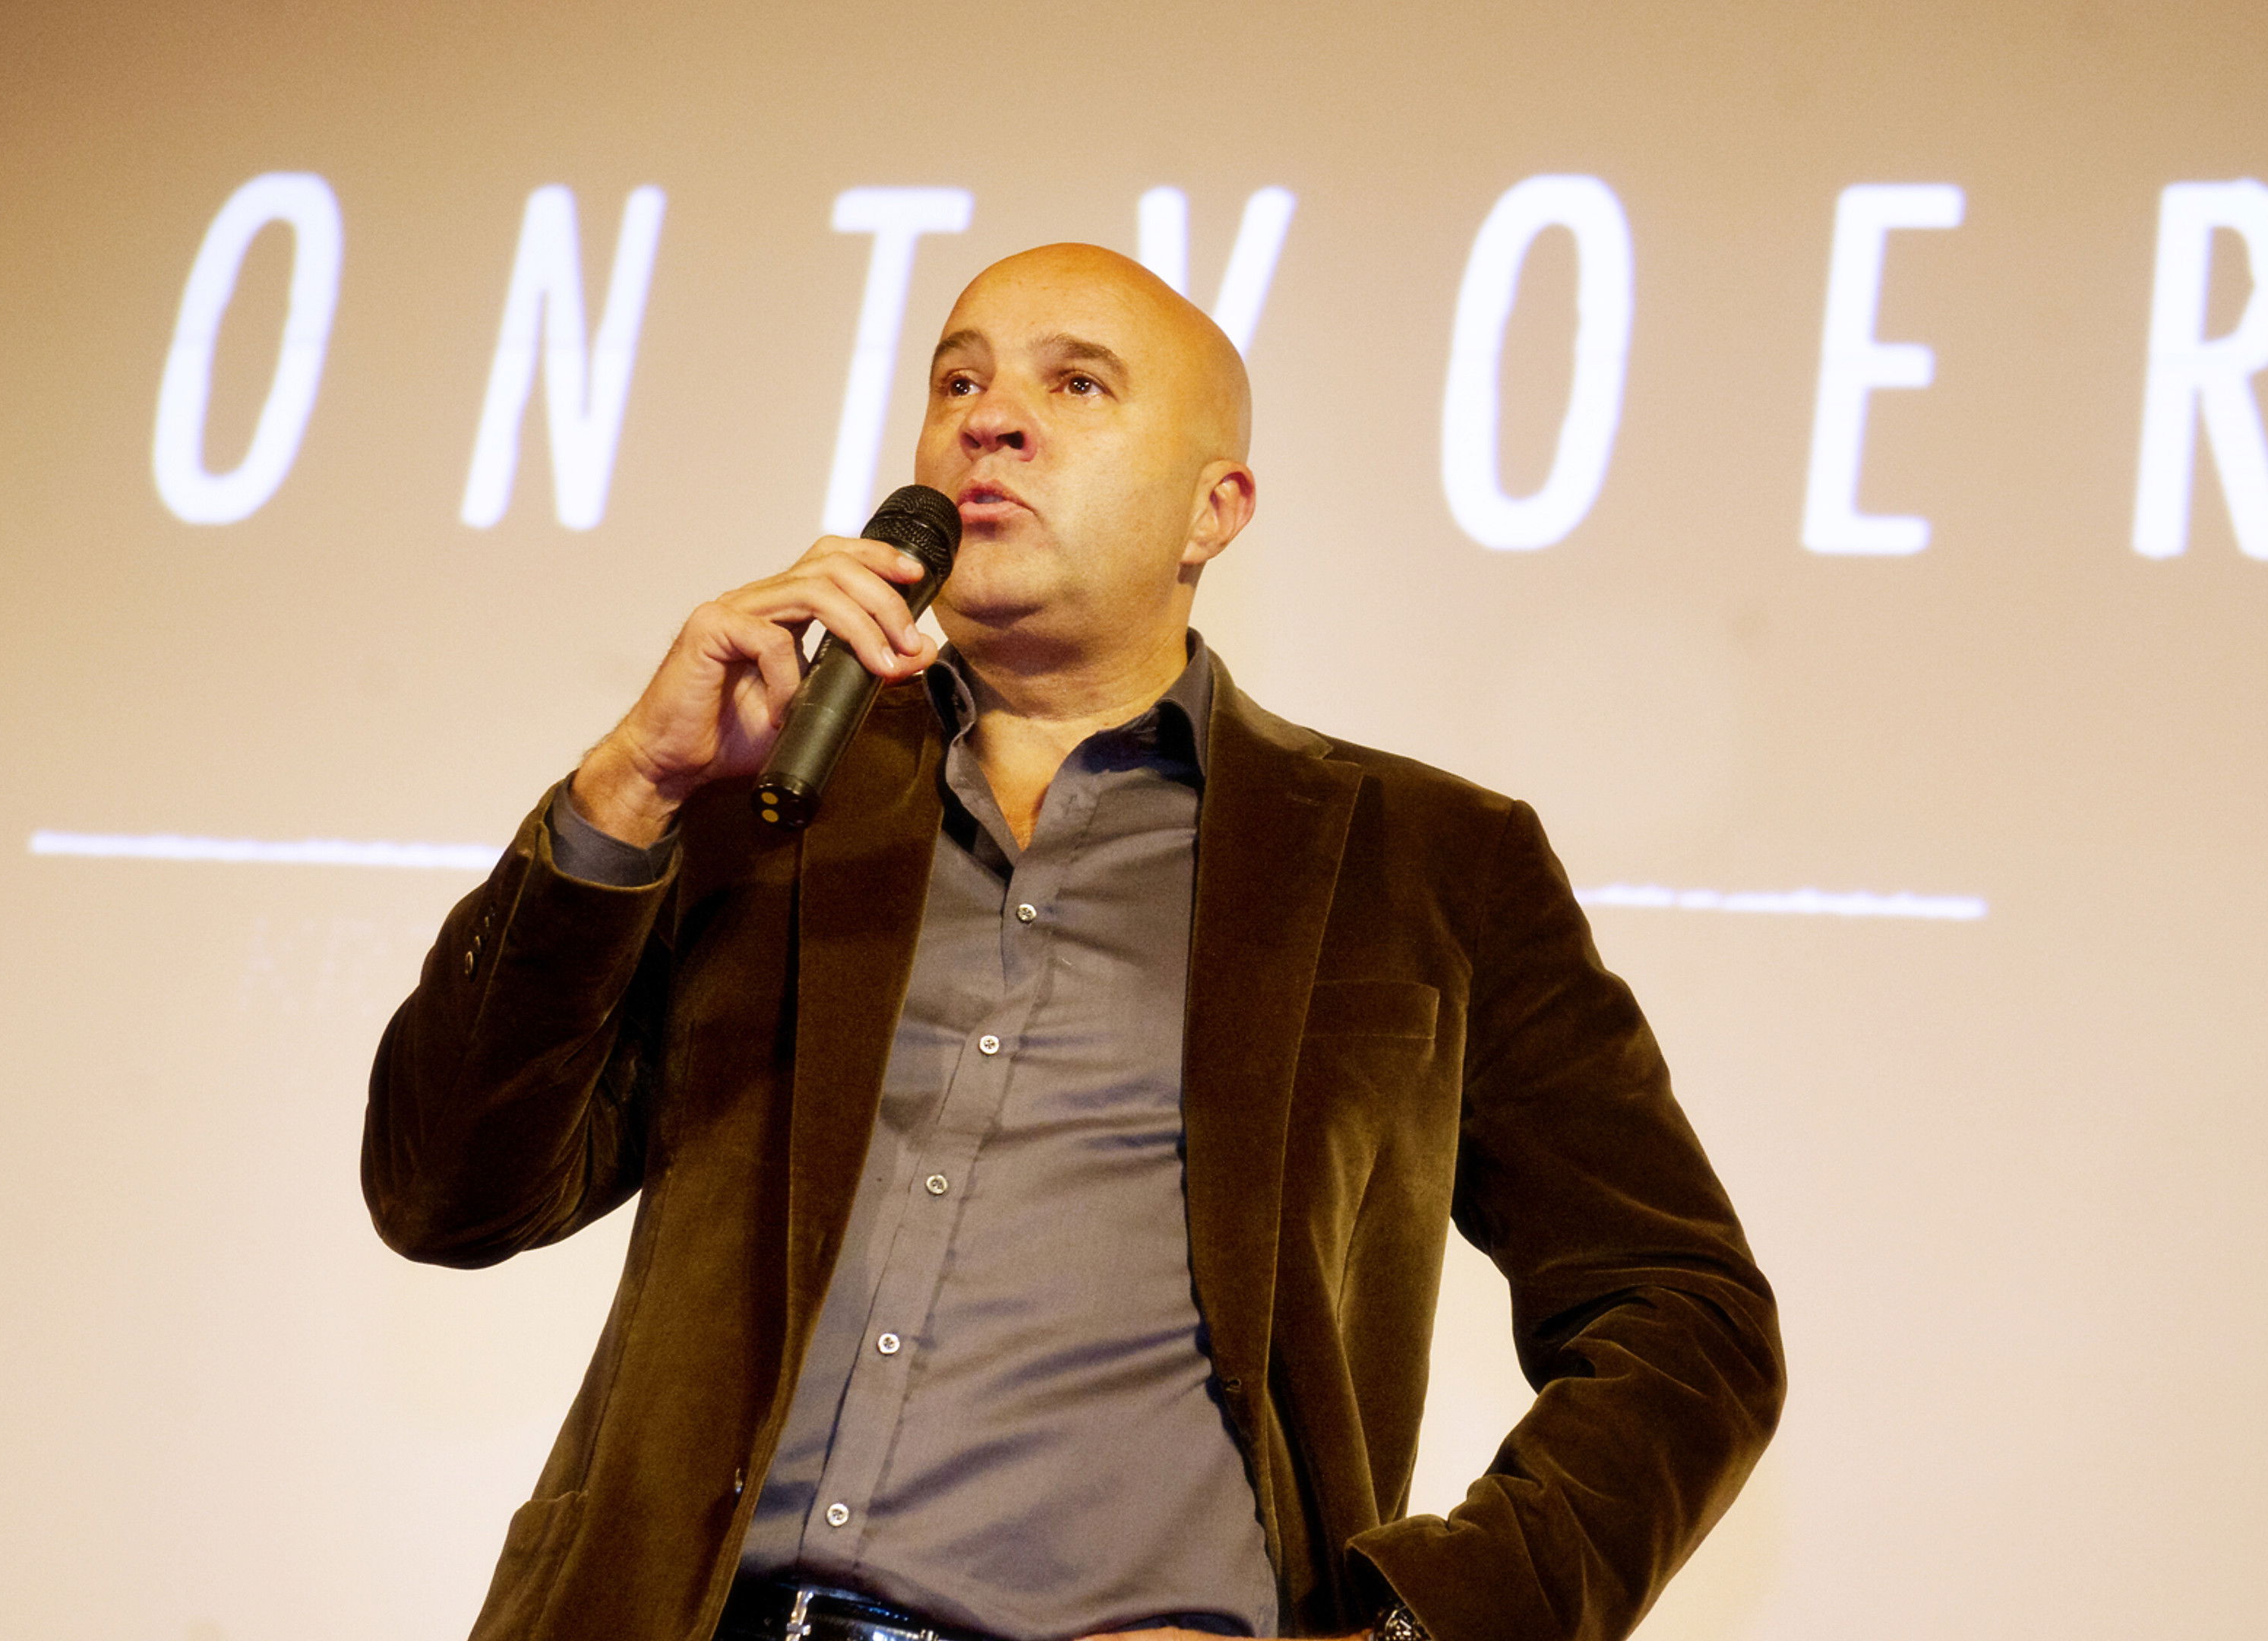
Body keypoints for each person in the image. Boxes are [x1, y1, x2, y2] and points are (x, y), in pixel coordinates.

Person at [365, 243, 1782, 1641]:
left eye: (1077, 384)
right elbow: (447, 1194)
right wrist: (633, 783)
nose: (990, 418)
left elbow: (1685, 1318)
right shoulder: (765, 794)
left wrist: (1414, 1634)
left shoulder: (1425, 861)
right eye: (958, 380)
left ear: (1213, 512)